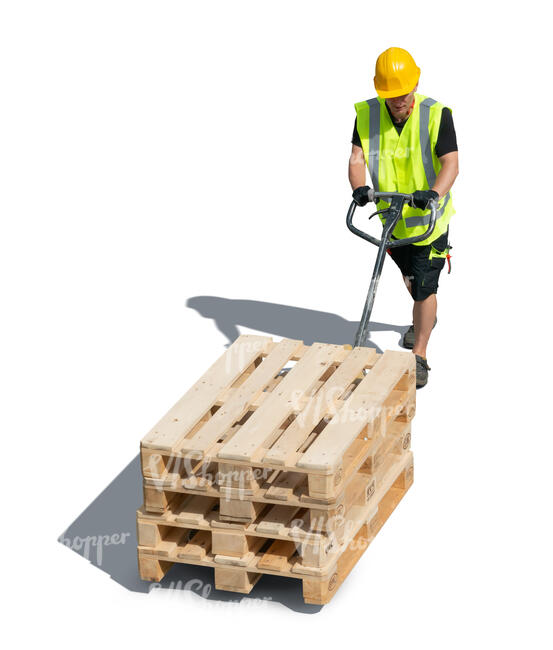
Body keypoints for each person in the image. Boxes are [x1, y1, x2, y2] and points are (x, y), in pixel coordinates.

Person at [349, 46, 459, 388]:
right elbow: (356, 157)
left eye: (404, 93)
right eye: (391, 95)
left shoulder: (435, 114)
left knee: (425, 287)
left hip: (429, 222)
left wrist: (434, 193)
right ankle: (423, 317)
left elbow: (451, 163)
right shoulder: (366, 115)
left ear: (415, 84)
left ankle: (420, 354)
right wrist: (359, 188)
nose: (398, 101)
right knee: (412, 282)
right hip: (391, 222)